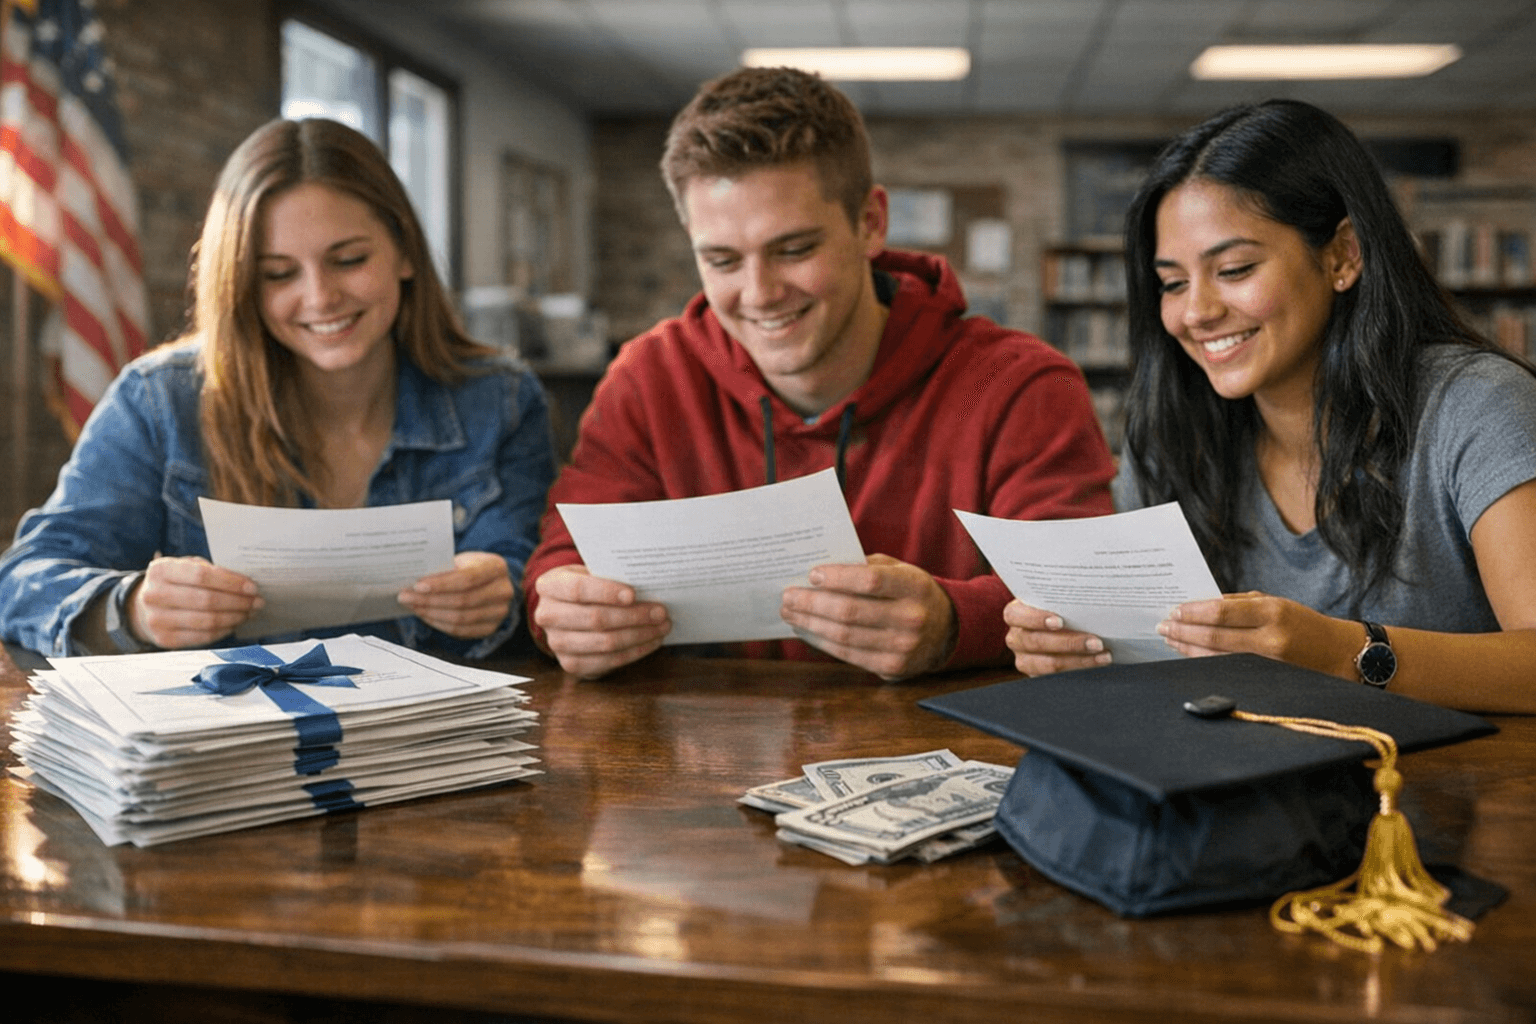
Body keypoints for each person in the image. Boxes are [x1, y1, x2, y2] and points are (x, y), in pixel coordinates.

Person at [525, 66, 1115, 681]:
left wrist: (953, 622)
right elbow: (559, 562)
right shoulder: (650, 378)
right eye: (722, 260)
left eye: (794, 249)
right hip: (705, 757)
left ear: (871, 223)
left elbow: (1089, 602)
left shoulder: (1017, 386)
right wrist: (564, 608)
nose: (760, 294)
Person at [1004, 99, 1536, 715]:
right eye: (1173, 283)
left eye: (1234, 268)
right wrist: (1077, 648)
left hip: (1447, 799)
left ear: (1342, 255)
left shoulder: (1477, 408)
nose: (1196, 311)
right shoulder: (1172, 435)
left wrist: (1344, 654)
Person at [0, 118, 557, 659]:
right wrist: (136, 609)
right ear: (241, 282)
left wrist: (499, 593)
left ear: (405, 251)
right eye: (278, 274)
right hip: (231, 738)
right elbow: (23, 581)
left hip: (434, 741)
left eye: (349, 260)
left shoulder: (500, 401)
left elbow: (531, 577)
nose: (320, 297)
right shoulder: (159, 402)